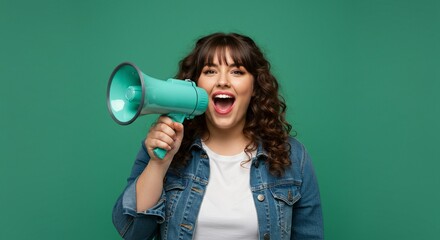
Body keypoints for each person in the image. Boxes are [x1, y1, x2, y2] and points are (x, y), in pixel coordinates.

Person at [112, 32, 324, 240]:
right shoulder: (160, 148)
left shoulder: (293, 156)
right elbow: (133, 233)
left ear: (254, 88)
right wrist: (159, 165)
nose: (223, 81)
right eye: (210, 71)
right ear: (194, 84)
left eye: (237, 72)